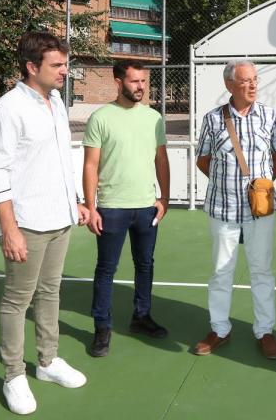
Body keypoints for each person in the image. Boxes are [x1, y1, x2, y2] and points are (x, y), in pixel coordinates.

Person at [0, 31, 90, 415]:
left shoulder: (57, 101)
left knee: (51, 292)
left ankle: (47, 362)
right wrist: (9, 229)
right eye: (57, 65)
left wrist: (75, 201)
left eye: (65, 64)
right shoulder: (9, 108)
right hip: (25, 222)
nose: (65, 71)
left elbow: (60, 159)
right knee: (16, 301)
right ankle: (14, 375)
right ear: (32, 67)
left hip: (59, 217)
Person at [193, 60, 276, 359]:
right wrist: (228, 184)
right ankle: (219, 329)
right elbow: (203, 159)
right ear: (229, 85)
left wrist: (259, 188)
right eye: (245, 81)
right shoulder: (212, 120)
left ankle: (265, 331)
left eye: (255, 80)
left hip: (259, 212)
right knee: (221, 272)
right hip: (223, 209)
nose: (252, 85)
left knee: (261, 270)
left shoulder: (270, 117)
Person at [82, 60, 170, 358]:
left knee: (145, 265)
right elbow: (91, 165)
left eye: (143, 81)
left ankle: (141, 316)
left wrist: (165, 198)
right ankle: (102, 327)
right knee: (106, 269)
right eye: (134, 81)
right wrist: (91, 207)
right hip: (111, 209)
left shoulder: (154, 117)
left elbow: (161, 160)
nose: (141, 87)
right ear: (118, 81)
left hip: (146, 207)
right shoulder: (101, 118)